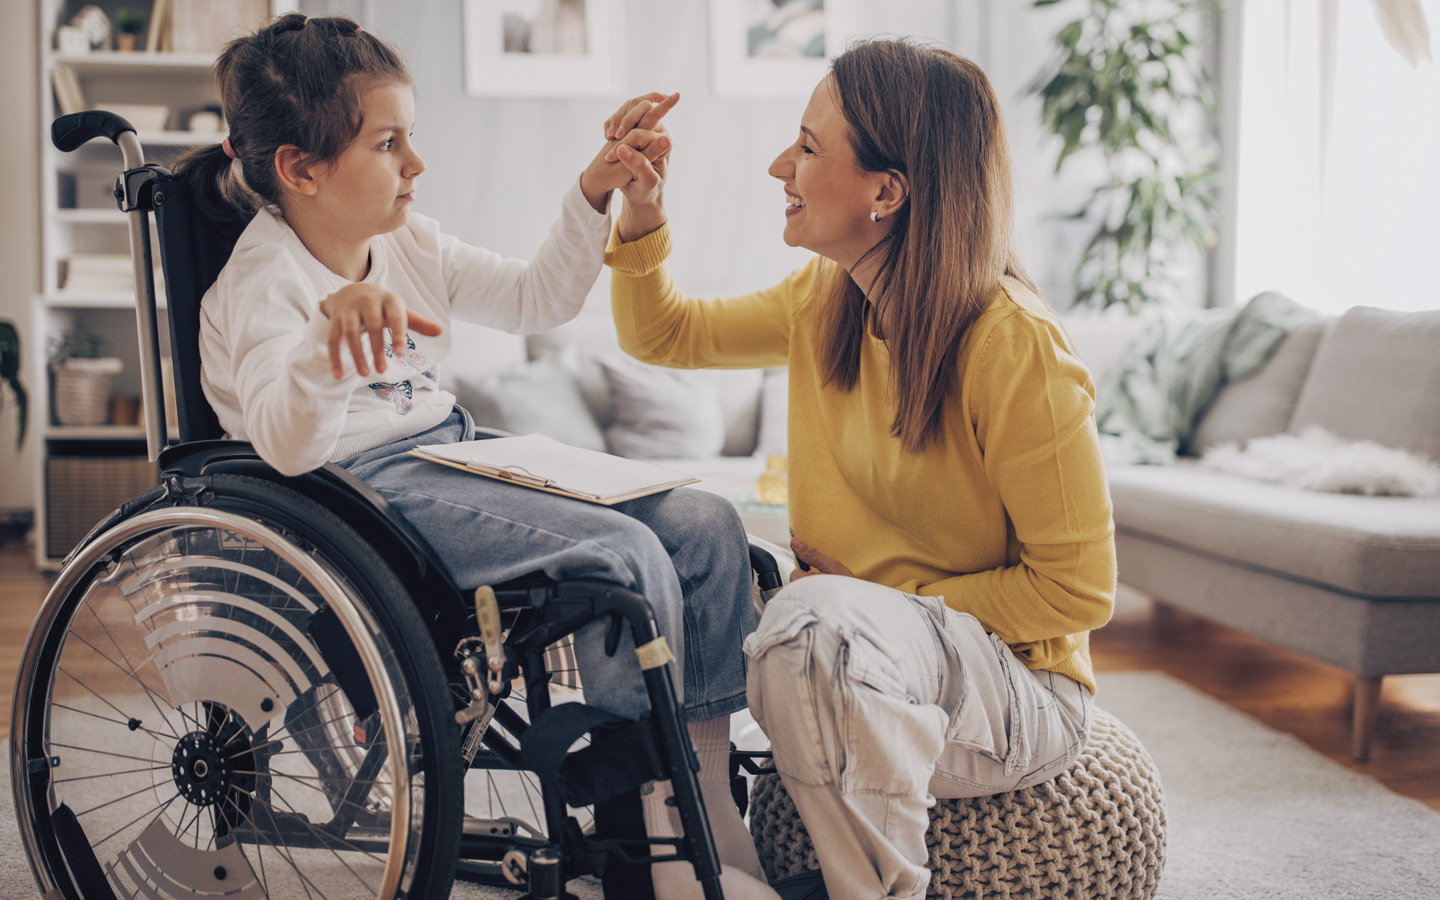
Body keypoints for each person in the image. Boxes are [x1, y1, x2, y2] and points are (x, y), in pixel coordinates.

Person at [179, 15, 775, 900]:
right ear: (300, 168)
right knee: (621, 556)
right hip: (361, 496)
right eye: (389, 143)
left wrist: (592, 192)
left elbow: (540, 298)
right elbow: (285, 443)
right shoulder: (264, 285)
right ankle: (638, 834)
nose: (416, 163)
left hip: (452, 457)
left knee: (703, 523)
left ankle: (704, 799)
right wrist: (323, 345)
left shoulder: (409, 243)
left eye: (409, 137)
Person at [602, 38, 1117, 900]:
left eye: (807, 147)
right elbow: (667, 334)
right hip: (856, 657)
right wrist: (642, 211)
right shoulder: (827, 299)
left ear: (888, 191)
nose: (780, 165)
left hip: (1017, 691)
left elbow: (1077, 592)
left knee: (814, 633)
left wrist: (884, 604)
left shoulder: (1013, 345)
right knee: (745, 604)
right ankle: (704, 840)